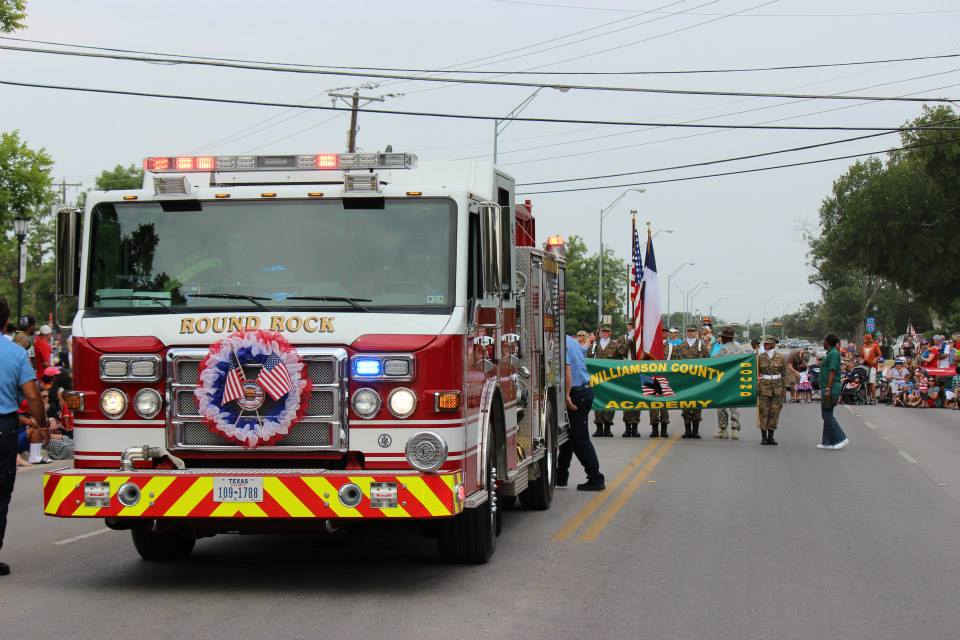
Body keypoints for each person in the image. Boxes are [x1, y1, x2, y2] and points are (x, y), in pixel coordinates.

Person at [0, 297, 49, 576]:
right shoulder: (16, 354)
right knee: (0, 494)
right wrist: (41, 426)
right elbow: (32, 395)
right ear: (6, 321)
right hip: (3, 430)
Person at [559, 334, 605, 491]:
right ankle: (560, 477)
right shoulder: (571, 341)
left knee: (579, 438)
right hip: (583, 392)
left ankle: (596, 478)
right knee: (568, 438)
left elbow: (567, 368)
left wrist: (566, 395)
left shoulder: (559, 341)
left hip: (576, 394)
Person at [588, 324, 627, 438]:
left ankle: (608, 427)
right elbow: (589, 357)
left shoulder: (615, 345)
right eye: (603, 332)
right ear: (599, 333)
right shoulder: (595, 344)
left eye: (607, 332)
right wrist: (592, 346)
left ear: (610, 333)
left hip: (611, 379)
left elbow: (622, 355)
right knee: (598, 401)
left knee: (610, 402)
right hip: (597, 378)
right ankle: (599, 427)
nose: (605, 333)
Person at [675, 325, 710, 439]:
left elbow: (708, 362)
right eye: (689, 331)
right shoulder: (680, 346)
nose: (690, 333)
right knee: (685, 405)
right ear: (686, 332)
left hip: (697, 381)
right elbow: (675, 364)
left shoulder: (702, 346)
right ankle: (687, 431)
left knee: (697, 406)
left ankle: (695, 431)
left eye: (693, 331)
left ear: (696, 332)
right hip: (684, 381)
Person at [818, 334, 849, 450]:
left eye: (824, 341)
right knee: (827, 414)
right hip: (827, 387)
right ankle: (827, 442)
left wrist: (828, 389)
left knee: (827, 415)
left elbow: (832, 371)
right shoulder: (831, 353)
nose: (823, 343)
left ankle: (841, 438)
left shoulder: (834, 354)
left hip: (830, 388)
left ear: (828, 342)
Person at [713, 326, 745, 440]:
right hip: (736, 380)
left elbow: (717, 362)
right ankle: (735, 429)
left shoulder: (723, 349)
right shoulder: (740, 347)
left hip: (724, 381)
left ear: (724, 338)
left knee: (721, 406)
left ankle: (723, 430)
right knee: (734, 406)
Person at [757, 336, 786, 445]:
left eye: (768, 344)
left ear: (774, 344)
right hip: (764, 387)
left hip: (777, 388)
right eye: (764, 344)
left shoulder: (781, 357)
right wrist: (757, 387)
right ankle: (763, 437)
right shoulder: (760, 357)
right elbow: (756, 373)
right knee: (763, 412)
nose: (765, 345)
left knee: (774, 412)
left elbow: (784, 374)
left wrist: (784, 390)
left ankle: (771, 436)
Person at [649, 330, 675, 438]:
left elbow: (677, 363)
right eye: (661, 332)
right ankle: (654, 429)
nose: (663, 333)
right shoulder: (651, 346)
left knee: (664, 405)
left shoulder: (672, 347)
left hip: (666, 378)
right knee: (653, 405)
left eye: (665, 332)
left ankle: (664, 429)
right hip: (653, 378)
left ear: (668, 334)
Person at [621, 334, 643, 438]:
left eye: (632, 324)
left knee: (636, 401)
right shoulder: (622, 338)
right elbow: (621, 352)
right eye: (629, 325)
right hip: (625, 374)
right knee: (626, 401)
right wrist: (628, 340)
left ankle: (635, 427)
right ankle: (627, 428)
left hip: (639, 373)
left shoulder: (642, 338)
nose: (631, 326)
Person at [860, 334, 882, 405]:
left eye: (865, 339)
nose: (864, 340)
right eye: (864, 339)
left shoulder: (875, 345)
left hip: (873, 366)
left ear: (869, 339)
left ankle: (873, 398)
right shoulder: (863, 347)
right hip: (865, 367)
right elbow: (861, 357)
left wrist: (875, 359)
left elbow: (880, 355)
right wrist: (862, 360)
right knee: (866, 382)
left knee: (871, 382)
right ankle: (868, 397)